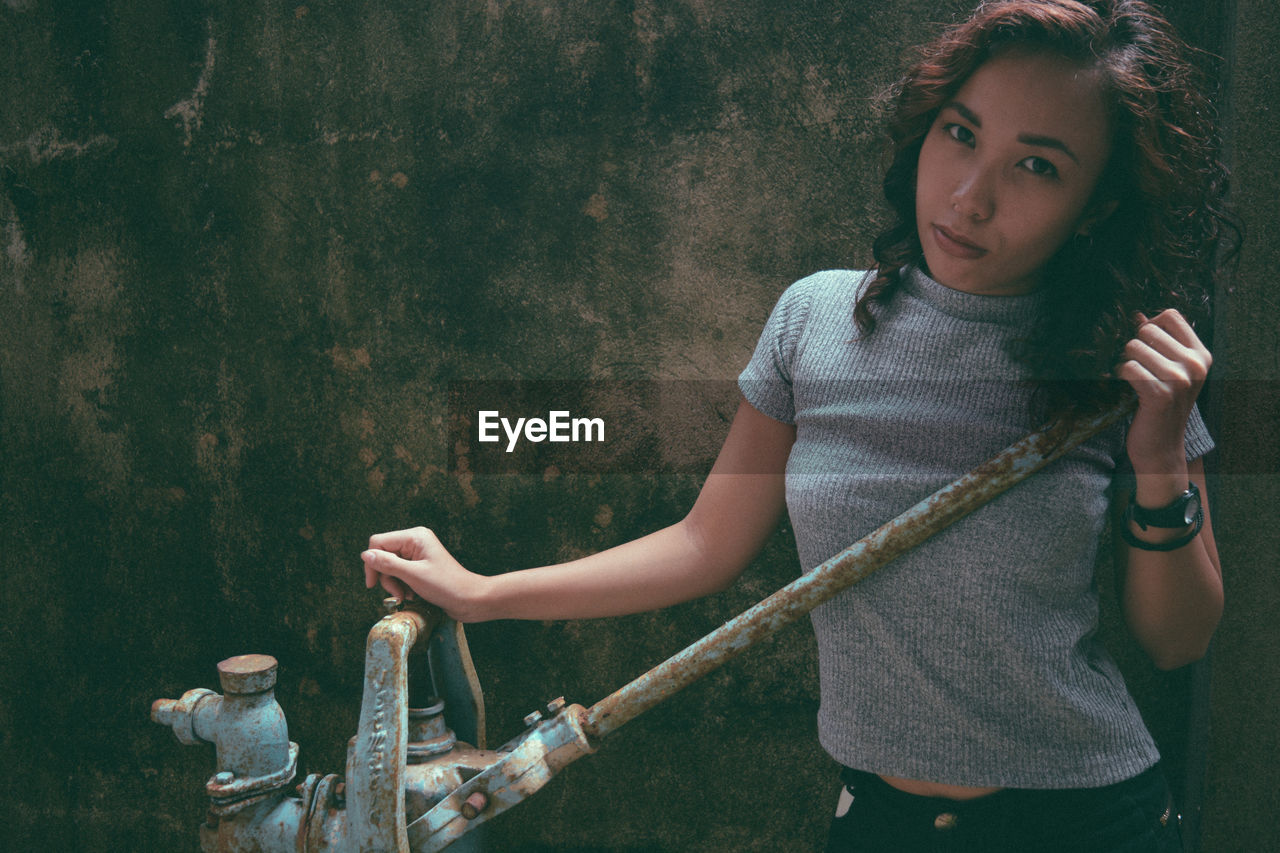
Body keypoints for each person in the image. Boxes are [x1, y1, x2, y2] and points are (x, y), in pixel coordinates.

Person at [360, 1, 1236, 850]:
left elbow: (1180, 638)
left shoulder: (1125, 370)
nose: (970, 198)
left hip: (1081, 822)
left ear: (1099, 206)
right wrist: (481, 590)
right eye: (960, 133)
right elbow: (705, 543)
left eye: (1036, 166)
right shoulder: (815, 319)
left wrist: (1158, 452)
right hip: (880, 821)